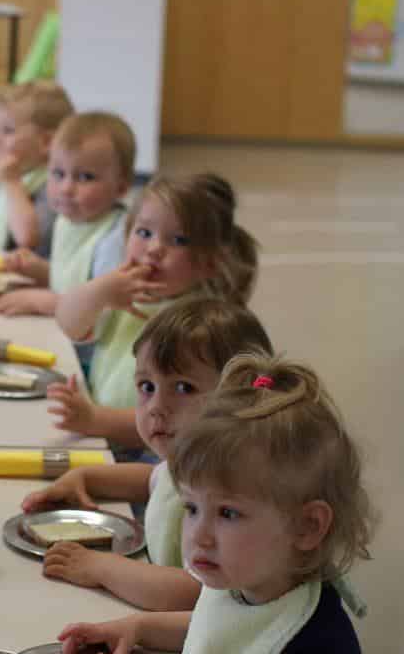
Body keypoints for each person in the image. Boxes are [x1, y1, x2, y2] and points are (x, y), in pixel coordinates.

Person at [59, 354, 371, 654]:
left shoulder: (317, 652)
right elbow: (218, 628)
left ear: (308, 526)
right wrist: (137, 629)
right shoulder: (251, 586)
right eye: (192, 507)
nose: (199, 535)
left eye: (227, 513)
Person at [22, 298, 273, 611]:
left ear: (241, 395)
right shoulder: (191, 462)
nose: (156, 407)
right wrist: (83, 477)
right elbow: (154, 481)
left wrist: (100, 568)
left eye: (183, 388)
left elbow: (193, 592)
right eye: (146, 386)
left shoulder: (233, 485)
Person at [51, 173, 259, 453]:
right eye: (144, 233)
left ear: (210, 263)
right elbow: (68, 322)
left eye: (178, 240)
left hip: (155, 456)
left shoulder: (198, 326)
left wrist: (96, 419)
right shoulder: (123, 294)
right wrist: (100, 291)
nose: (154, 249)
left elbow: (171, 421)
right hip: (101, 435)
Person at [0, 112, 135, 331]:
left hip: (86, 359)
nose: (66, 188)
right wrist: (40, 270)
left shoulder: (115, 240)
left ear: (122, 187)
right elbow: (73, 281)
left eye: (86, 177)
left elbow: (107, 312)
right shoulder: (67, 221)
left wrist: (43, 302)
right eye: (58, 174)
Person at [0, 80, 73, 256]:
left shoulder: (56, 186)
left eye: (8, 131)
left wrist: (12, 183)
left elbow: (27, 239)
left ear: (47, 142)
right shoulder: (22, 175)